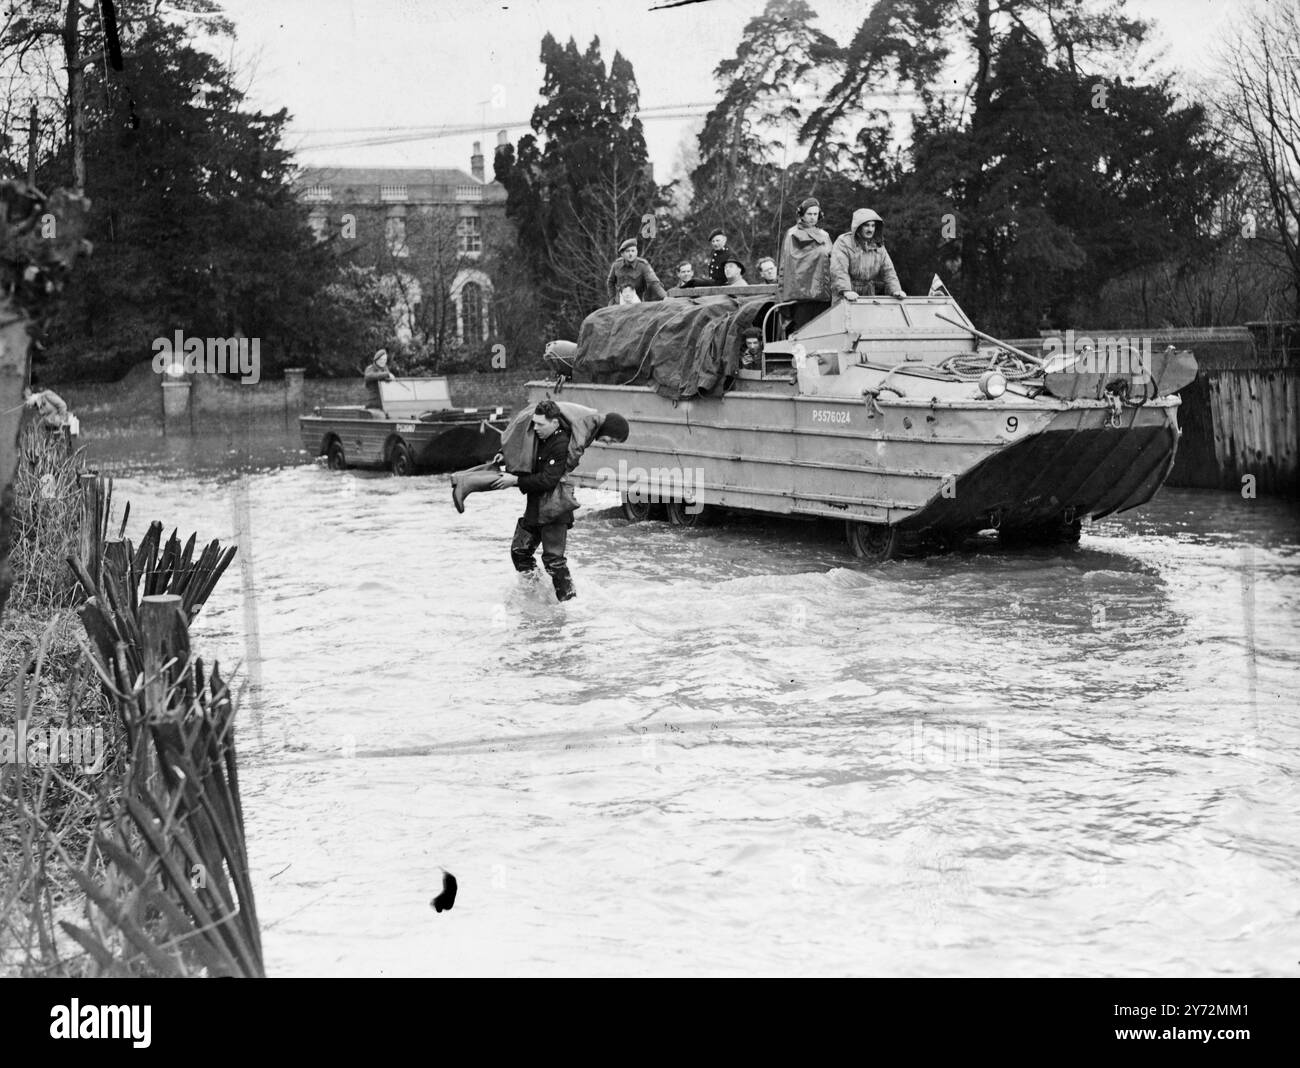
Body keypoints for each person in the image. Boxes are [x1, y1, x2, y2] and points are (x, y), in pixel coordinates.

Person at [484, 401, 630, 602]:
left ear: (554, 423)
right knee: (520, 552)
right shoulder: (544, 435)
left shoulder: (563, 442)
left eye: (540, 425)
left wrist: (515, 480)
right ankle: (537, 593)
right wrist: (505, 457)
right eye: (534, 424)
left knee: (554, 561)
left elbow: (550, 478)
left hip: (555, 507)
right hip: (536, 506)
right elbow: (529, 453)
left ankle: (569, 603)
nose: (536, 428)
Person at [778, 196, 833, 332]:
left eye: (815, 214)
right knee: (802, 332)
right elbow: (788, 264)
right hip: (801, 297)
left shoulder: (824, 235)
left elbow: (831, 259)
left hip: (823, 295)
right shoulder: (792, 234)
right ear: (802, 214)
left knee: (822, 332)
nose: (813, 217)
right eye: (809, 214)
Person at [830, 208, 905, 305]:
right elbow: (839, 269)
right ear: (858, 226)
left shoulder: (878, 245)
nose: (870, 229)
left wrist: (896, 290)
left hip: (868, 294)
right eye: (866, 225)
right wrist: (846, 291)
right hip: (845, 294)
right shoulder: (844, 242)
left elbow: (888, 270)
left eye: (873, 226)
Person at [606, 239, 666, 305]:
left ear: (636, 252)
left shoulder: (643, 266)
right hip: (619, 302)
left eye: (633, 251)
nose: (630, 254)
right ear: (622, 254)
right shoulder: (616, 265)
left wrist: (665, 297)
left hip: (637, 303)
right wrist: (612, 298)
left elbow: (654, 283)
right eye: (627, 251)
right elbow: (610, 282)